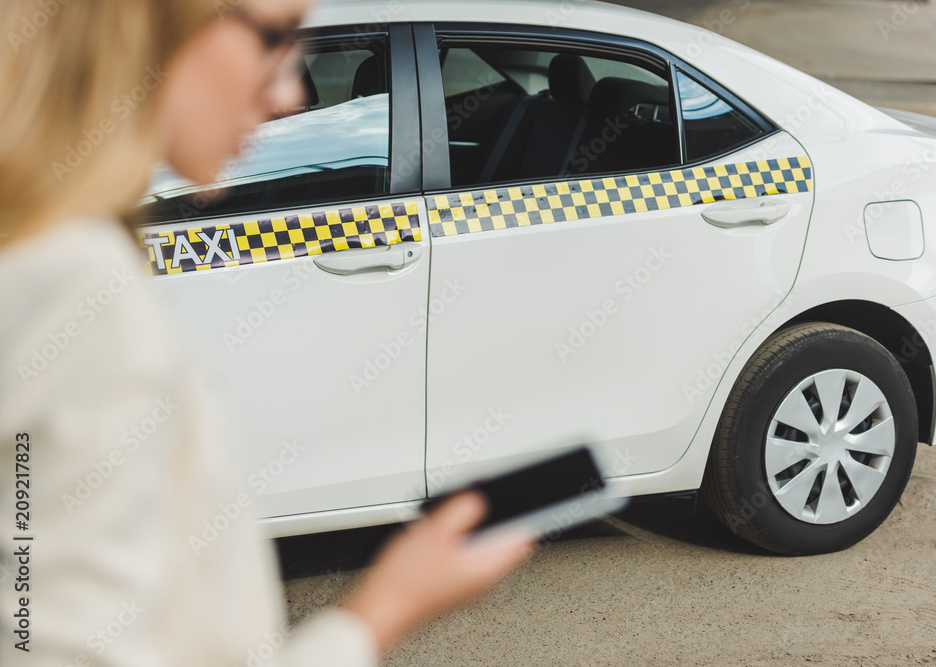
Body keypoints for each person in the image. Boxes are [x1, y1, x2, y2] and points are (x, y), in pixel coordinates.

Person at [0, 1, 537, 665]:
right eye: (275, 37)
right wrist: (383, 607)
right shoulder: (79, 283)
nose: (289, 93)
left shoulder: (36, 247)